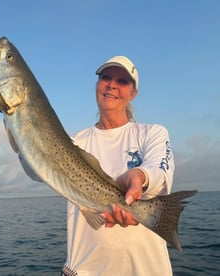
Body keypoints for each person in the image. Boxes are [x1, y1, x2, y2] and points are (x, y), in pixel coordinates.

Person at [61, 56, 174, 275]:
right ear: (97, 85)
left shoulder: (153, 133)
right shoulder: (73, 143)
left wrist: (140, 177)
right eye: (106, 77)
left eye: (122, 81)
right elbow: (34, 166)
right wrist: (10, 115)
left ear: (133, 93)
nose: (112, 84)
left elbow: (160, 170)